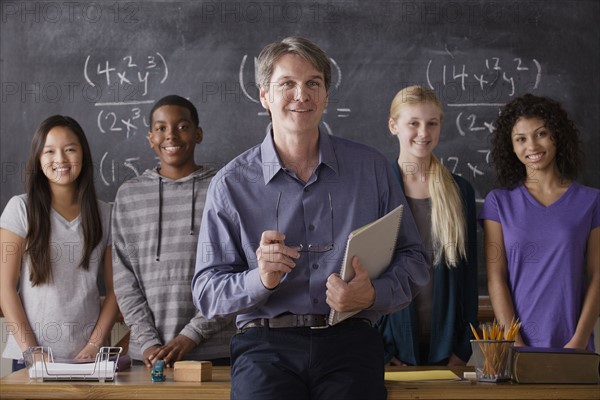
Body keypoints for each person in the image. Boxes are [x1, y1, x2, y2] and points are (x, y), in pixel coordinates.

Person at [192, 36, 429, 400]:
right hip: (264, 347)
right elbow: (207, 292)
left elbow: (414, 260)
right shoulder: (231, 184)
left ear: (326, 95)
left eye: (313, 83)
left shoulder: (372, 170)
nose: (301, 95)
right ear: (264, 96)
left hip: (351, 342)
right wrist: (261, 279)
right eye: (287, 84)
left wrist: (371, 295)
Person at [112, 95, 235, 367]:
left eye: (182, 126)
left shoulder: (224, 189)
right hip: (148, 357)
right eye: (161, 128)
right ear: (150, 138)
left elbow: (236, 275)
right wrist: (148, 343)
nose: (171, 135)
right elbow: (124, 278)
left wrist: (191, 334)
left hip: (214, 353)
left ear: (198, 133)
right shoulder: (129, 196)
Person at [480, 93, 599, 350]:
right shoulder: (498, 203)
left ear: (557, 136)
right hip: (517, 346)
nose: (532, 146)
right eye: (520, 139)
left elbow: (597, 276)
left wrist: (578, 342)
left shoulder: (591, 201)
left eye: (541, 134)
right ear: (511, 147)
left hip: (574, 345)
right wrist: (516, 342)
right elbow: (496, 278)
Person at [0, 115, 118, 371]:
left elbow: (115, 290)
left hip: (90, 359)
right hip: (30, 357)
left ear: (83, 155)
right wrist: (33, 351)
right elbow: (5, 288)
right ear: (38, 158)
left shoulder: (106, 214)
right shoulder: (20, 208)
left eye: (70, 150)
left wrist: (94, 345)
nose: (61, 160)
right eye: (50, 151)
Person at [375, 85, 478, 366]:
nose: (424, 133)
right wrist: (381, 350)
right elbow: (361, 275)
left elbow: (468, 276)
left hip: (446, 348)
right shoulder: (375, 189)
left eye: (432, 123)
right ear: (393, 126)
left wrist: (463, 349)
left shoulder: (460, 191)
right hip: (391, 346)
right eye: (414, 123)